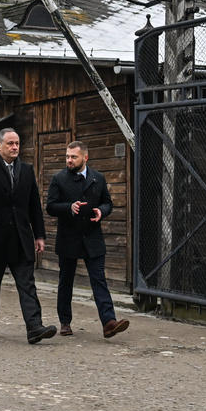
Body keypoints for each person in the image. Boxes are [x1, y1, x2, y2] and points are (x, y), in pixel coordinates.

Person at [0, 127, 57, 344]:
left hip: (21, 238)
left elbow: (34, 205)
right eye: (10, 144)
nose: (15, 147)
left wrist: (40, 235)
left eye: (17, 143)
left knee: (27, 283)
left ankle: (34, 327)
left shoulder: (26, 170)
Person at [46, 141, 130, 339]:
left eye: (73, 157)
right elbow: (50, 206)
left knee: (99, 280)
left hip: (92, 238)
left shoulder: (98, 178)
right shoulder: (59, 178)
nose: (69, 160)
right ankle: (65, 322)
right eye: (67, 156)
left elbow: (108, 203)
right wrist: (69, 207)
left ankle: (109, 323)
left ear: (85, 157)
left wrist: (102, 211)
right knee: (65, 281)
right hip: (68, 238)